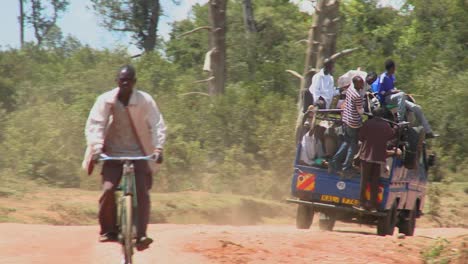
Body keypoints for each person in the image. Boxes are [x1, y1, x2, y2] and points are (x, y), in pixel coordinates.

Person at [82, 65, 167, 249]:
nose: (125, 83)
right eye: (122, 80)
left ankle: (141, 234)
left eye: (129, 80)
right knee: (108, 190)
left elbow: (157, 124)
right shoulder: (105, 100)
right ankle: (108, 230)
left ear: (135, 82)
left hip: (139, 154)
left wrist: (158, 148)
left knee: (142, 192)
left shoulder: (145, 100)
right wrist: (96, 149)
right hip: (112, 153)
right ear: (117, 82)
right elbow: (95, 124)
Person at [373, 59, 436, 138]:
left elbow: (392, 88)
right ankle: (400, 119)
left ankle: (428, 131)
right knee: (401, 94)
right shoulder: (383, 77)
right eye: (394, 68)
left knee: (417, 108)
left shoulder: (392, 77)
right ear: (391, 68)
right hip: (386, 100)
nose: (395, 69)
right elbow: (380, 92)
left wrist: (395, 91)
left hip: (393, 98)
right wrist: (393, 91)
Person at [354, 108, 400, 212]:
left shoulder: (367, 123)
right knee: (375, 182)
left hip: (366, 156)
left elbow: (361, 137)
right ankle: (372, 205)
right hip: (379, 157)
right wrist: (397, 128)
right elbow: (391, 136)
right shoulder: (386, 125)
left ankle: (361, 204)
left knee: (364, 181)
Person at [328, 76, 365, 175]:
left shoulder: (350, 89)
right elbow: (361, 111)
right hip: (353, 124)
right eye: (361, 83)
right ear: (356, 84)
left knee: (346, 142)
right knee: (353, 146)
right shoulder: (357, 95)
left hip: (346, 121)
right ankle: (346, 167)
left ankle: (333, 162)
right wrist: (364, 108)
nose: (362, 85)